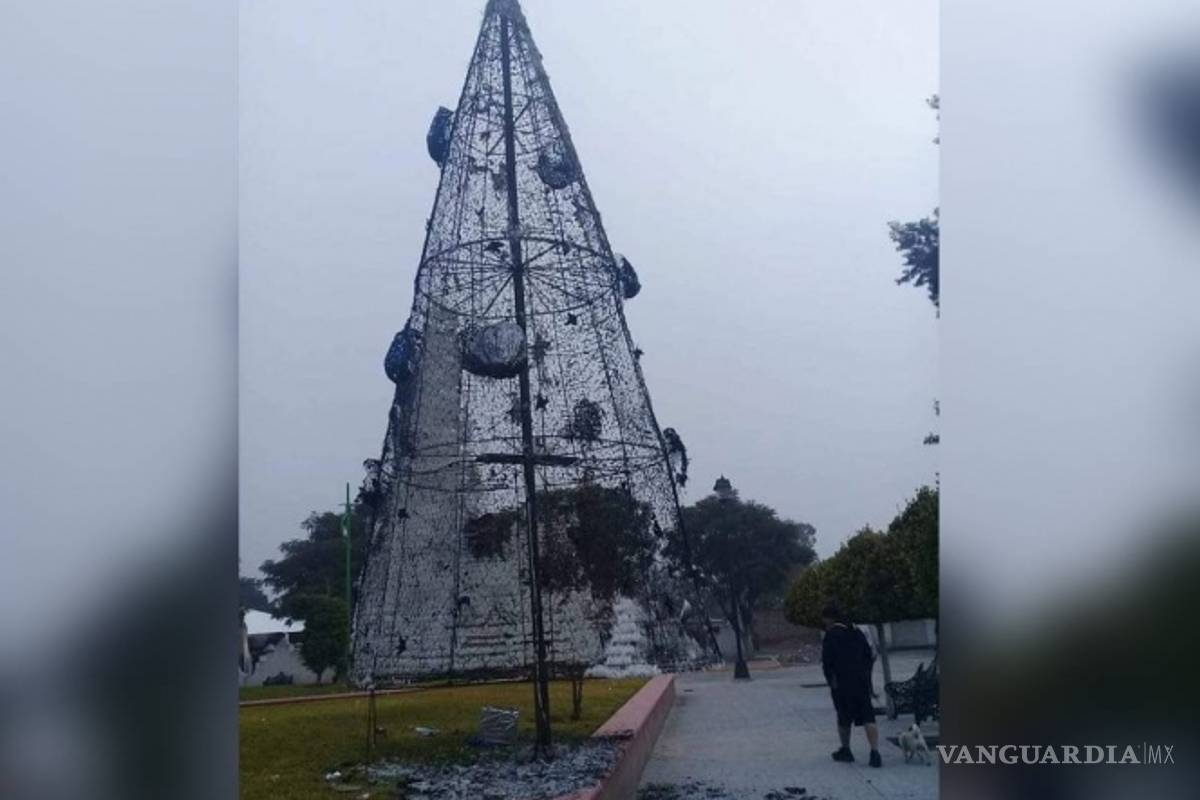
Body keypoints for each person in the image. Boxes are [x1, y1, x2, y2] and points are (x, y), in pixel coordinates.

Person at [821, 602, 882, 767]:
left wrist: (831, 680)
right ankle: (875, 752)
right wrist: (865, 675)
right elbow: (868, 655)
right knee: (868, 716)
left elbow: (827, 662)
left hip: (842, 683)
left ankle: (846, 749)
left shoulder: (831, 635)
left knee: (843, 717)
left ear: (829, 618)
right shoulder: (856, 632)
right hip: (861, 681)